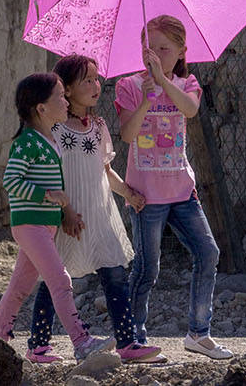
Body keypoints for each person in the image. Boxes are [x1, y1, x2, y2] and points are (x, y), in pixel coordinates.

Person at [23, 55, 164, 364]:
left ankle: (128, 344)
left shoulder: (98, 127)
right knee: (54, 278)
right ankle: (38, 345)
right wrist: (64, 212)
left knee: (115, 275)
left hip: (99, 215)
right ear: (67, 90)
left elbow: (104, 170)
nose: (95, 85)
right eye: (86, 80)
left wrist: (128, 192)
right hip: (67, 218)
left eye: (96, 78)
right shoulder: (55, 131)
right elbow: (48, 175)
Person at [116, 15, 233, 360]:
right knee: (147, 268)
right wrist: (147, 99)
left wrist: (163, 84)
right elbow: (126, 134)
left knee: (208, 253)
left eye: (163, 49)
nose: (153, 55)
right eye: (148, 48)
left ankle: (199, 333)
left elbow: (191, 110)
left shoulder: (188, 83)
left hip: (182, 191)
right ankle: (134, 338)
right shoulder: (129, 86)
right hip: (145, 196)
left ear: (182, 50)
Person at [0, 72, 114, 361]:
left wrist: (64, 211)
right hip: (30, 225)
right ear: (41, 108)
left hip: (45, 227)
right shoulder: (28, 142)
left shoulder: (50, 140)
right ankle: (82, 341)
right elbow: (11, 180)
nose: (66, 101)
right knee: (61, 280)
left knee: (19, 288)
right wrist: (47, 195)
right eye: (60, 96)